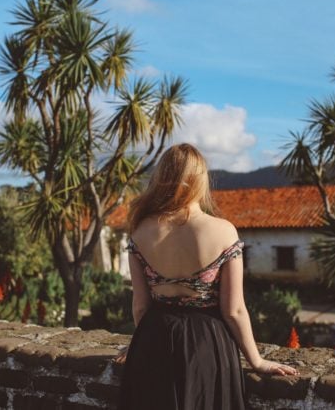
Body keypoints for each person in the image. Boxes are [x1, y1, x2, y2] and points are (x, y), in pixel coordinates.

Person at [115, 143, 298, 410]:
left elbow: (141, 305)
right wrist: (256, 361)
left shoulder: (140, 230)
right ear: (200, 180)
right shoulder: (224, 231)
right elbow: (233, 310)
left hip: (153, 340)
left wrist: (140, 342)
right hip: (207, 344)